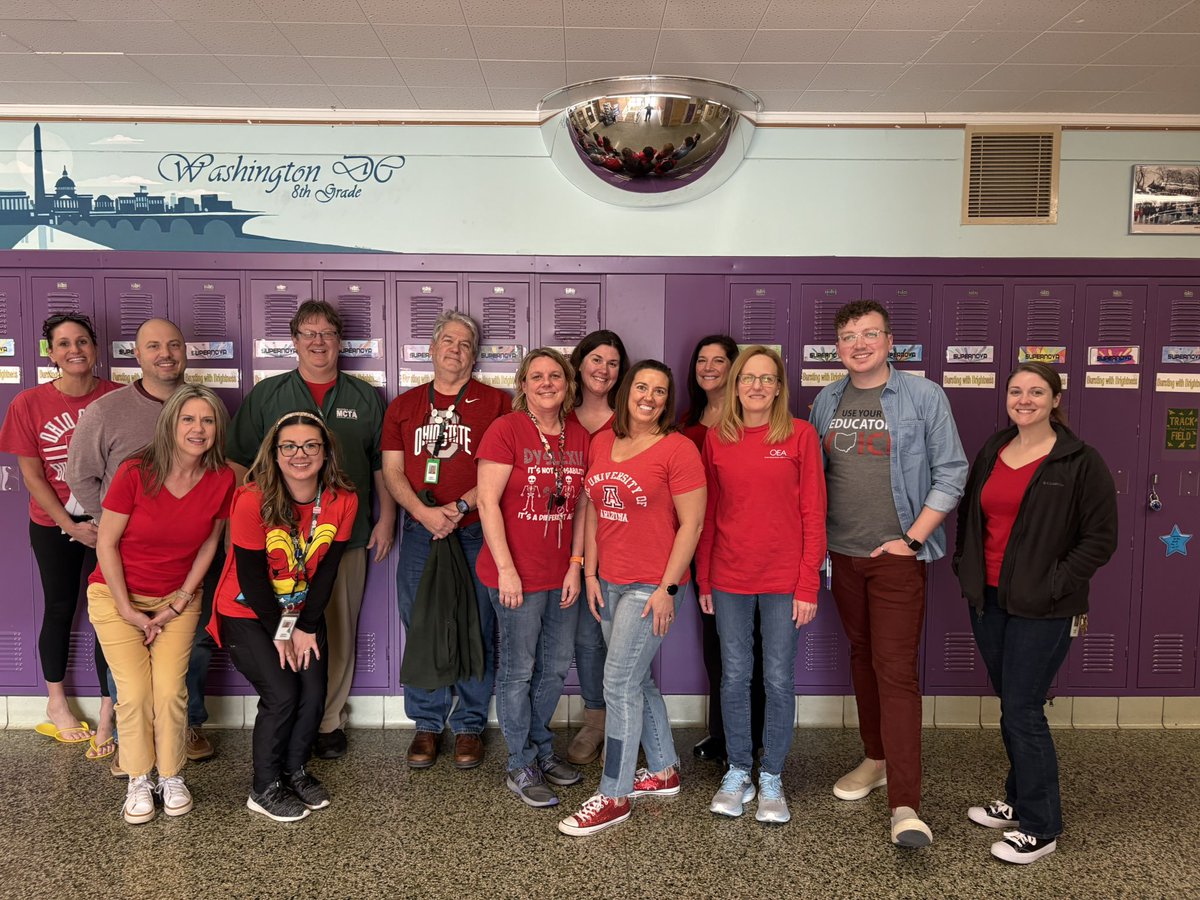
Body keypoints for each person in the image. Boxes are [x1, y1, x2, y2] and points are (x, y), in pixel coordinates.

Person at [809, 299, 967, 848]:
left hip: (898, 559)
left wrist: (912, 539)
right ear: (838, 347)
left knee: (895, 670)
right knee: (861, 656)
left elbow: (952, 471)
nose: (859, 344)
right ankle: (875, 759)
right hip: (843, 558)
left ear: (889, 340)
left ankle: (906, 805)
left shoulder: (922, 395)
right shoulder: (827, 399)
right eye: (848, 336)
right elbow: (813, 479)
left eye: (869, 334)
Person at [953, 363, 1117, 864]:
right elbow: (971, 517)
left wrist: (1053, 585)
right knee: (1013, 704)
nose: (1025, 399)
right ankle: (1020, 800)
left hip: (1045, 607)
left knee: (1022, 710)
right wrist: (966, 567)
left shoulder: (1079, 461)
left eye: (1036, 392)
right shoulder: (995, 449)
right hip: (991, 600)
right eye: (1017, 391)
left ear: (1055, 398)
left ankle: (1042, 826)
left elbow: (1100, 539)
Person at [227, 300, 395, 761]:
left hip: (343, 539)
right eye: (308, 333)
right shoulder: (268, 395)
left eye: (327, 334)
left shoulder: (364, 397)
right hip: (277, 541)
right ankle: (288, 709)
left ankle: (326, 720)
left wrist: (385, 518)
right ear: (295, 342)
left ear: (340, 342)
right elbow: (239, 461)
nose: (318, 342)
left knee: (333, 627)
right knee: (275, 625)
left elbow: (382, 465)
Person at [558, 361, 706, 836]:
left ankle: (614, 794)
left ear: (668, 401)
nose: (650, 396)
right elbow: (598, 512)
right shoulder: (604, 441)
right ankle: (662, 770)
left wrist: (668, 588)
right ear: (626, 393)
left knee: (617, 683)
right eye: (642, 387)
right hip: (613, 582)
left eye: (660, 391)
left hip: (651, 585)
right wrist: (593, 573)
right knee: (637, 681)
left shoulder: (678, 449)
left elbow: (693, 526)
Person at [66, 317, 220, 766]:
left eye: (174, 345)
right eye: (154, 346)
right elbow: (79, 473)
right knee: (128, 658)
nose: (166, 354)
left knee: (191, 653)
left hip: (187, 565)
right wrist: (114, 524)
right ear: (138, 355)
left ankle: (185, 726)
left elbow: (221, 479)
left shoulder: (206, 406)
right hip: (127, 561)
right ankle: (135, 741)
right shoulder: (108, 410)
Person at [86, 385, 234, 825]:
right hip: (115, 597)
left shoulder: (222, 478)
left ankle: (170, 775)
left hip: (178, 599)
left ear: (216, 430)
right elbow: (107, 544)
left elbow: (211, 543)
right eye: (188, 419)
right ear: (170, 423)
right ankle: (138, 777)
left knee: (170, 689)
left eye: (207, 421)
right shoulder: (135, 471)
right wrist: (128, 609)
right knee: (133, 692)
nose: (198, 428)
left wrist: (179, 602)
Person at [697, 346, 826, 824]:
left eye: (765, 378)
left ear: (778, 387)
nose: (755, 386)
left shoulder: (799, 435)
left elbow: (814, 512)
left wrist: (808, 583)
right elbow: (708, 515)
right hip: (729, 576)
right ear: (736, 385)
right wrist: (704, 577)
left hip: (783, 579)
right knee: (733, 676)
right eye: (747, 377)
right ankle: (737, 771)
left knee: (776, 678)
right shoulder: (717, 438)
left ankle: (770, 775)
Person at [208, 411, 359, 823]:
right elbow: (253, 577)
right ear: (274, 455)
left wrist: (305, 626)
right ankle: (264, 786)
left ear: (326, 452)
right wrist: (282, 631)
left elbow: (328, 569)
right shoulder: (252, 499)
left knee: (313, 693)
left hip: (301, 612)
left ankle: (294, 771)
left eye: (311, 445)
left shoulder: (342, 498)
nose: (300, 454)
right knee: (282, 694)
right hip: (247, 611)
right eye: (288, 446)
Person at [382, 310, 509, 770]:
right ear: (432, 350)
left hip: (475, 529)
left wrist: (457, 510)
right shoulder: (404, 405)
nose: (456, 350)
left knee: (477, 622)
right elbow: (393, 471)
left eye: (466, 345)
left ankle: (471, 723)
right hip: (419, 529)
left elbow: (501, 470)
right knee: (421, 622)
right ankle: (428, 722)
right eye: (448, 342)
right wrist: (422, 511)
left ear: (474, 358)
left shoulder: (496, 403)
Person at [0, 313, 120, 755]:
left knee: (110, 614)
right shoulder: (28, 404)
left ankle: (110, 708)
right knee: (60, 608)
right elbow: (32, 476)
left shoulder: (117, 397)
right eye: (64, 343)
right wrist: (70, 525)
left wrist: (102, 526)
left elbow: (129, 468)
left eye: (83, 341)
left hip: (110, 524)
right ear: (51, 353)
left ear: (95, 348)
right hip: (54, 524)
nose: (75, 350)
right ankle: (56, 703)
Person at [476, 349, 589, 807]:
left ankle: (540, 750)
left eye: (555, 376)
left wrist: (576, 564)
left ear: (568, 384)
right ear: (523, 384)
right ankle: (520, 761)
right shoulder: (506, 430)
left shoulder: (579, 435)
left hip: (560, 574)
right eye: (537, 376)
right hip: (513, 575)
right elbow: (487, 503)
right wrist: (506, 569)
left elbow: (584, 505)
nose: (547, 383)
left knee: (556, 666)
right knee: (518, 670)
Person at [679, 334, 764, 765]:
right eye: (702, 360)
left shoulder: (747, 418)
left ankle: (753, 737)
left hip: (744, 544)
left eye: (719, 360)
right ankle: (723, 732)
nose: (709, 367)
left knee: (756, 647)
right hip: (699, 545)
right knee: (718, 644)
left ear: (736, 368)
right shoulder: (686, 421)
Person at [563, 330, 629, 766]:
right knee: (564, 640)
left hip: (607, 544)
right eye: (596, 360)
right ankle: (590, 715)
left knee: (599, 636)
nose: (603, 370)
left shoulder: (626, 420)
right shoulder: (558, 412)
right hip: (549, 538)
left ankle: (602, 721)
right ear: (580, 363)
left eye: (613, 363)